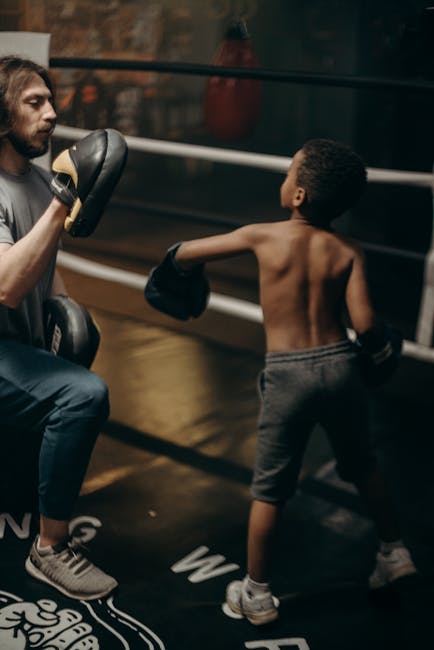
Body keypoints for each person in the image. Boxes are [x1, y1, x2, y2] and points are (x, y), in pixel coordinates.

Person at [145, 138, 417, 625]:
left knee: (269, 490)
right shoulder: (348, 249)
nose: (283, 179)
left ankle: (256, 592)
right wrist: (379, 349)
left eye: (289, 172)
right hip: (341, 367)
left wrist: (176, 270)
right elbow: (367, 325)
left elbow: (183, 253)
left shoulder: (261, 236)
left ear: (297, 196)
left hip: (288, 374)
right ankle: (395, 552)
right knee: (362, 465)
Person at [0, 55, 117, 600]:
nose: (52, 114)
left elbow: (45, 271)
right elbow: (5, 286)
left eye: (51, 101)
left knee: (74, 362)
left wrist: (67, 315)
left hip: (16, 349)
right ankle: (48, 551)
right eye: (34, 103)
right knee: (83, 395)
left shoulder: (44, 180)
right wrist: (63, 202)